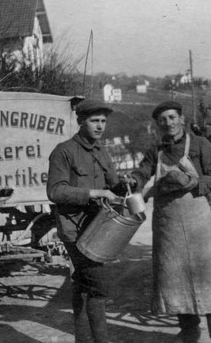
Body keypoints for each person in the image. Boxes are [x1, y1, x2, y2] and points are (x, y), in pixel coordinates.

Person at [124, 101, 211, 343]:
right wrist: (133, 179)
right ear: (158, 124)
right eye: (163, 119)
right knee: (176, 279)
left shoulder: (201, 145)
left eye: (172, 117)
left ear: (181, 119)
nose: (168, 123)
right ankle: (190, 331)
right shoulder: (156, 152)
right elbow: (143, 172)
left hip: (198, 224)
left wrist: (195, 183)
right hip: (168, 225)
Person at [47, 99, 122, 343]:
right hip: (74, 229)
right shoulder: (64, 151)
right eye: (94, 121)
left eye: (103, 121)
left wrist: (127, 183)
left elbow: (114, 185)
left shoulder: (101, 150)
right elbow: (55, 192)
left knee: (84, 284)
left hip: (98, 227)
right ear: (80, 121)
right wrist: (94, 193)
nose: (100, 126)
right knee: (98, 285)